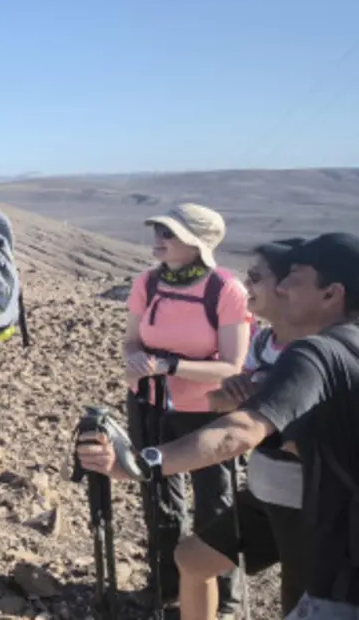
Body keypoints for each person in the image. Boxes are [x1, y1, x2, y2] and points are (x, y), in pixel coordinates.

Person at [78, 232, 359, 620]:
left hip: (326, 529)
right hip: (286, 501)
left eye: (294, 275)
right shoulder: (335, 346)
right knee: (193, 558)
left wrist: (141, 464)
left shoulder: (317, 354)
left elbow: (236, 433)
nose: (281, 286)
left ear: (332, 294)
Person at [120, 203, 251, 614]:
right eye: (158, 229)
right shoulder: (147, 283)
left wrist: (172, 365)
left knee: (216, 503)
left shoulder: (226, 290)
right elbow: (130, 340)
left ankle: (224, 602)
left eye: (169, 233)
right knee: (159, 495)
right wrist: (137, 359)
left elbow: (232, 364)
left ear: (197, 243)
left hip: (209, 410)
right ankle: (167, 586)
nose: (158, 238)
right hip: (151, 403)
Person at [175, 238, 308, 619]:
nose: (245, 285)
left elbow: (246, 428)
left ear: (288, 288)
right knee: (192, 558)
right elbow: (220, 402)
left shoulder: (319, 352)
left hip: (312, 503)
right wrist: (240, 398)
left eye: (254, 277)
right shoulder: (264, 341)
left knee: (301, 603)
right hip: (270, 493)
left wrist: (157, 460)